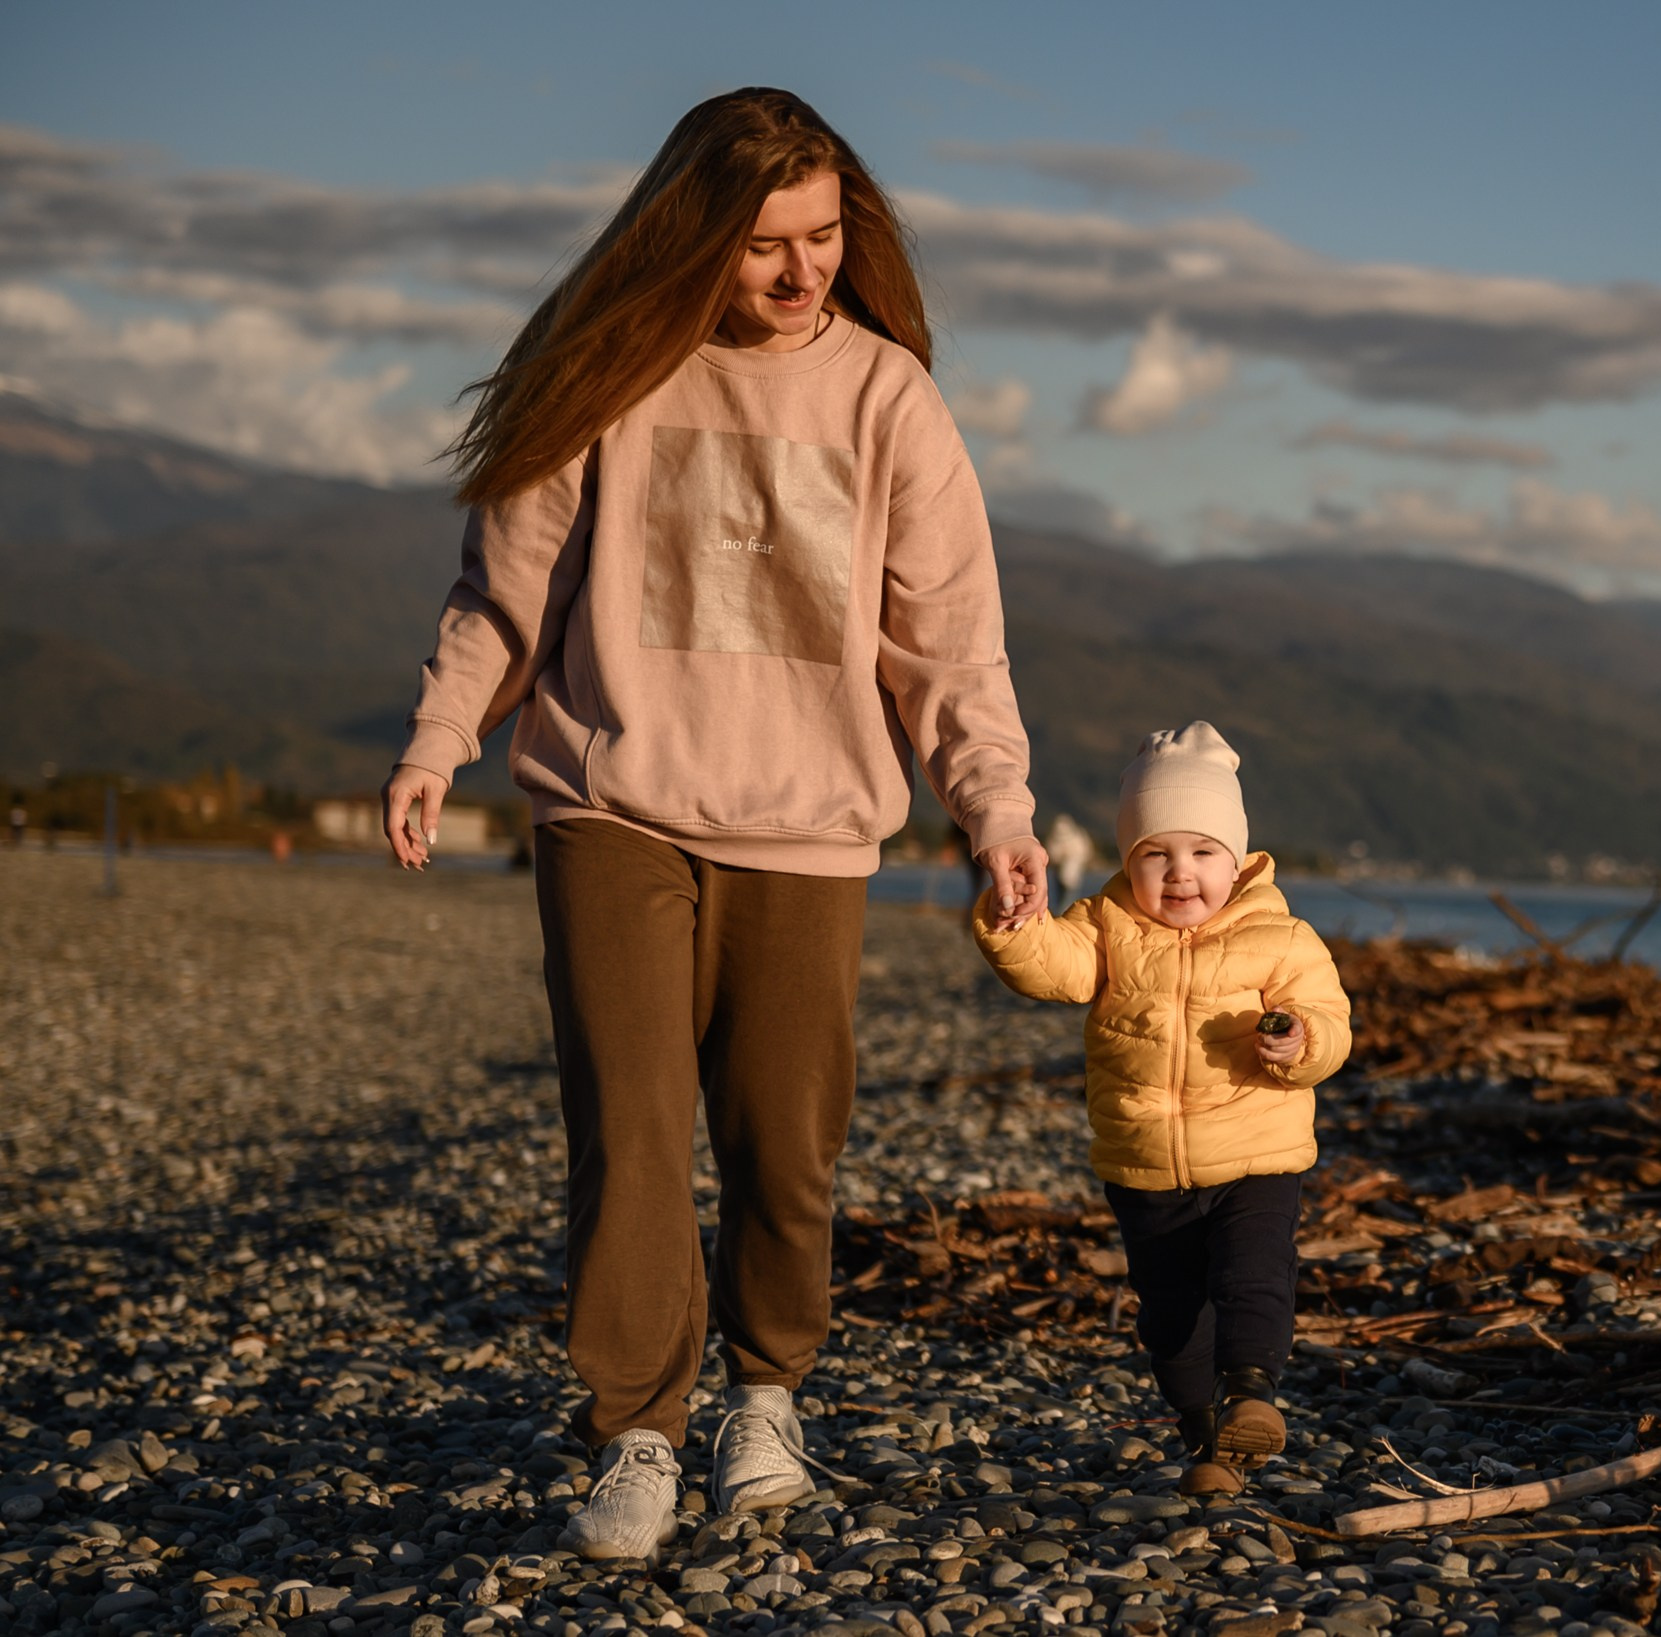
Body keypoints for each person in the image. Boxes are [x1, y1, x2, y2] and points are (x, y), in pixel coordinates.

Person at [380, 87, 1046, 1561]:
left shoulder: (887, 398)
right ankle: (636, 1429)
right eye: (763, 245)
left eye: (822, 236)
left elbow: (950, 644)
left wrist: (994, 807)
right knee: (627, 1126)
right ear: (695, 237)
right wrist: (439, 736)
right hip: (610, 802)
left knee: (782, 1138)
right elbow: (506, 592)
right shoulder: (610, 372)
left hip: (807, 825)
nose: (801, 271)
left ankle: (765, 1396)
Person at [973, 723, 1349, 1497]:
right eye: (1155, 854)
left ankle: (1251, 1393)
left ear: (1236, 860)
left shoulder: (1281, 937)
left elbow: (1328, 1019)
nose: (1180, 872)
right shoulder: (1105, 925)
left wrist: (1300, 1040)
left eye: (1202, 851)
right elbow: (1053, 968)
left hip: (1254, 1152)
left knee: (1253, 1277)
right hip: (1143, 1162)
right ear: (1127, 861)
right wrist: (1014, 925)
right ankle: (1208, 1440)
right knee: (1171, 1317)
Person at [1043, 811, 1095, 909]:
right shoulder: (1055, 839)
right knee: (1061, 896)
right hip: (1059, 873)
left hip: (1072, 873)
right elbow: (1052, 854)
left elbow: (1084, 853)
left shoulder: (1077, 838)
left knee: (1068, 896)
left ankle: (1065, 913)